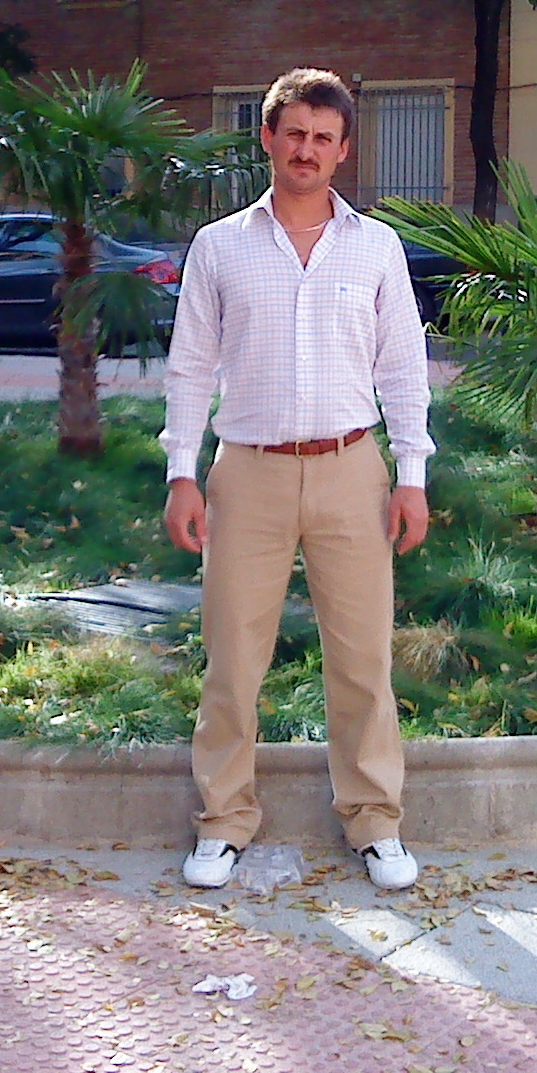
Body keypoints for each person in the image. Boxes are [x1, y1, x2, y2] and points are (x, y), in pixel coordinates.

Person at [160, 67, 433, 892]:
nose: (306, 150)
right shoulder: (220, 246)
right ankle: (223, 820)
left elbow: (403, 367)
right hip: (248, 474)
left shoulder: (375, 247)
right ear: (269, 139)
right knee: (232, 659)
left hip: (353, 471)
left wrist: (412, 475)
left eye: (323, 138)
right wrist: (181, 473)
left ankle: (375, 821)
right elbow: (189, 366)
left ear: (344, 150)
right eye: (294, 134)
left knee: (362, 660)